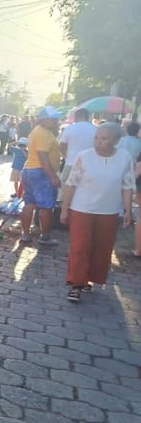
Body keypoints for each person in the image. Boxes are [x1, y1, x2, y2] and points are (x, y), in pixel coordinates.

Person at [60, 122, 134, 303]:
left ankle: (88, 279)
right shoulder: (84, 156)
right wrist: (64, 209)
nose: (98, 142)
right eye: (96, 138)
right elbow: (71, 184)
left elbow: (127, 185)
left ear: (116, 141)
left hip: (108, 211)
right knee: (80, 247)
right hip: (82, 209)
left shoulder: (125, 158)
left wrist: (128, 211)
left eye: (104, 139)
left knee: (101, 248)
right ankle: (76, 284)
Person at [20, 106, 63, 246]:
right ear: (44, 120)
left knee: (29, 203)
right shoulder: (44, 133)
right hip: (41, 172)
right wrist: (52, 176)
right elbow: (42, 155)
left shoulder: (37, 131)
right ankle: (45, 236)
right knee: (46, 206)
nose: (56, 121)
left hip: (30, 169)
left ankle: (25, 234)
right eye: (53, 119)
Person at [59, 108, 96, 183]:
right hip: (89, 165)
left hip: (71, 163)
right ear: (88, 117)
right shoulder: (95, 129)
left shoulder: (69, 128)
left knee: (66, 190)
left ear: (75, 117)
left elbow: (62, 145)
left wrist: (66, 156)